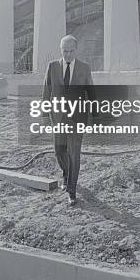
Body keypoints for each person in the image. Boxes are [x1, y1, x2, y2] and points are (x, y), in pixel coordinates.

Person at [42, 34, 96, 206]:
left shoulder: (84, 68)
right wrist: (44, 115)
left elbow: (92, 93)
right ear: (61, 50)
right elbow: (46, 92)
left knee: (74, 153)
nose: (68, 55)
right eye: (65, 51)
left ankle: (72, 191)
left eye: (71, 51)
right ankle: (66, 175)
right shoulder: (52, 67)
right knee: (59, 152)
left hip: (77, 117)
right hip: (58, 117)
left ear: (76, 50)